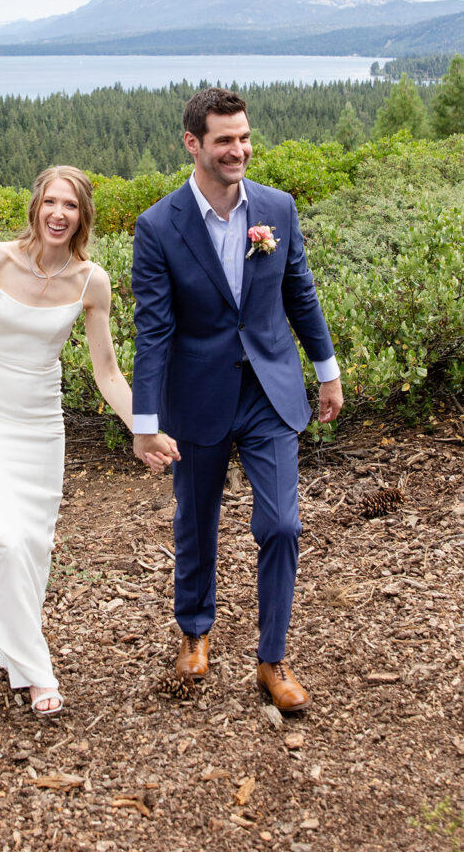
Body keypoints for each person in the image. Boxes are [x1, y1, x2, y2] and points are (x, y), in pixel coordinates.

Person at [0, 165, 171, 717]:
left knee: (32, 548)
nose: (58, 214)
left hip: (41, 427)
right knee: (1, 539)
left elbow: (108, 372)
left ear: (82, 215)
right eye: (50, 202)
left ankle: (15, 650)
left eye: (70, 205)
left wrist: (145, 427)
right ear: (35, 207)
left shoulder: (91, 281)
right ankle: (39, 671)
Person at [131, 89, 343, 711]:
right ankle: (194, 633)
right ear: (193, 143)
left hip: (269, 392)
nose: (239, 149)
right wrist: (146, 423)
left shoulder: (277, 207)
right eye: (224, 139)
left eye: (244, 136)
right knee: (196, 523)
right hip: (196, 396)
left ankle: (271, 660)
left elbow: (299, 294)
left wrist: (326, 372)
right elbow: (154, 331)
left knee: (281, 524)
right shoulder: (158, 226)